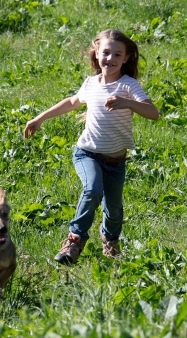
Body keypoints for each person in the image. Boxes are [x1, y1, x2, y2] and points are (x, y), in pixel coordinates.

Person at [23, 29, 159, 265]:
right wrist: (40, 118)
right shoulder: (91, 83)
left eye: (118, 55)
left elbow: (153, 113)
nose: (111, 59)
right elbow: (72, 102)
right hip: (87, 153)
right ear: (96, 53)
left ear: (126, 58)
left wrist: (126, 102)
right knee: (92, 190)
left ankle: (110, 240)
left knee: (114, 211)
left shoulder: (128, 85)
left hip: (116, 162)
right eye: (106, 53)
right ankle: (74, 242)